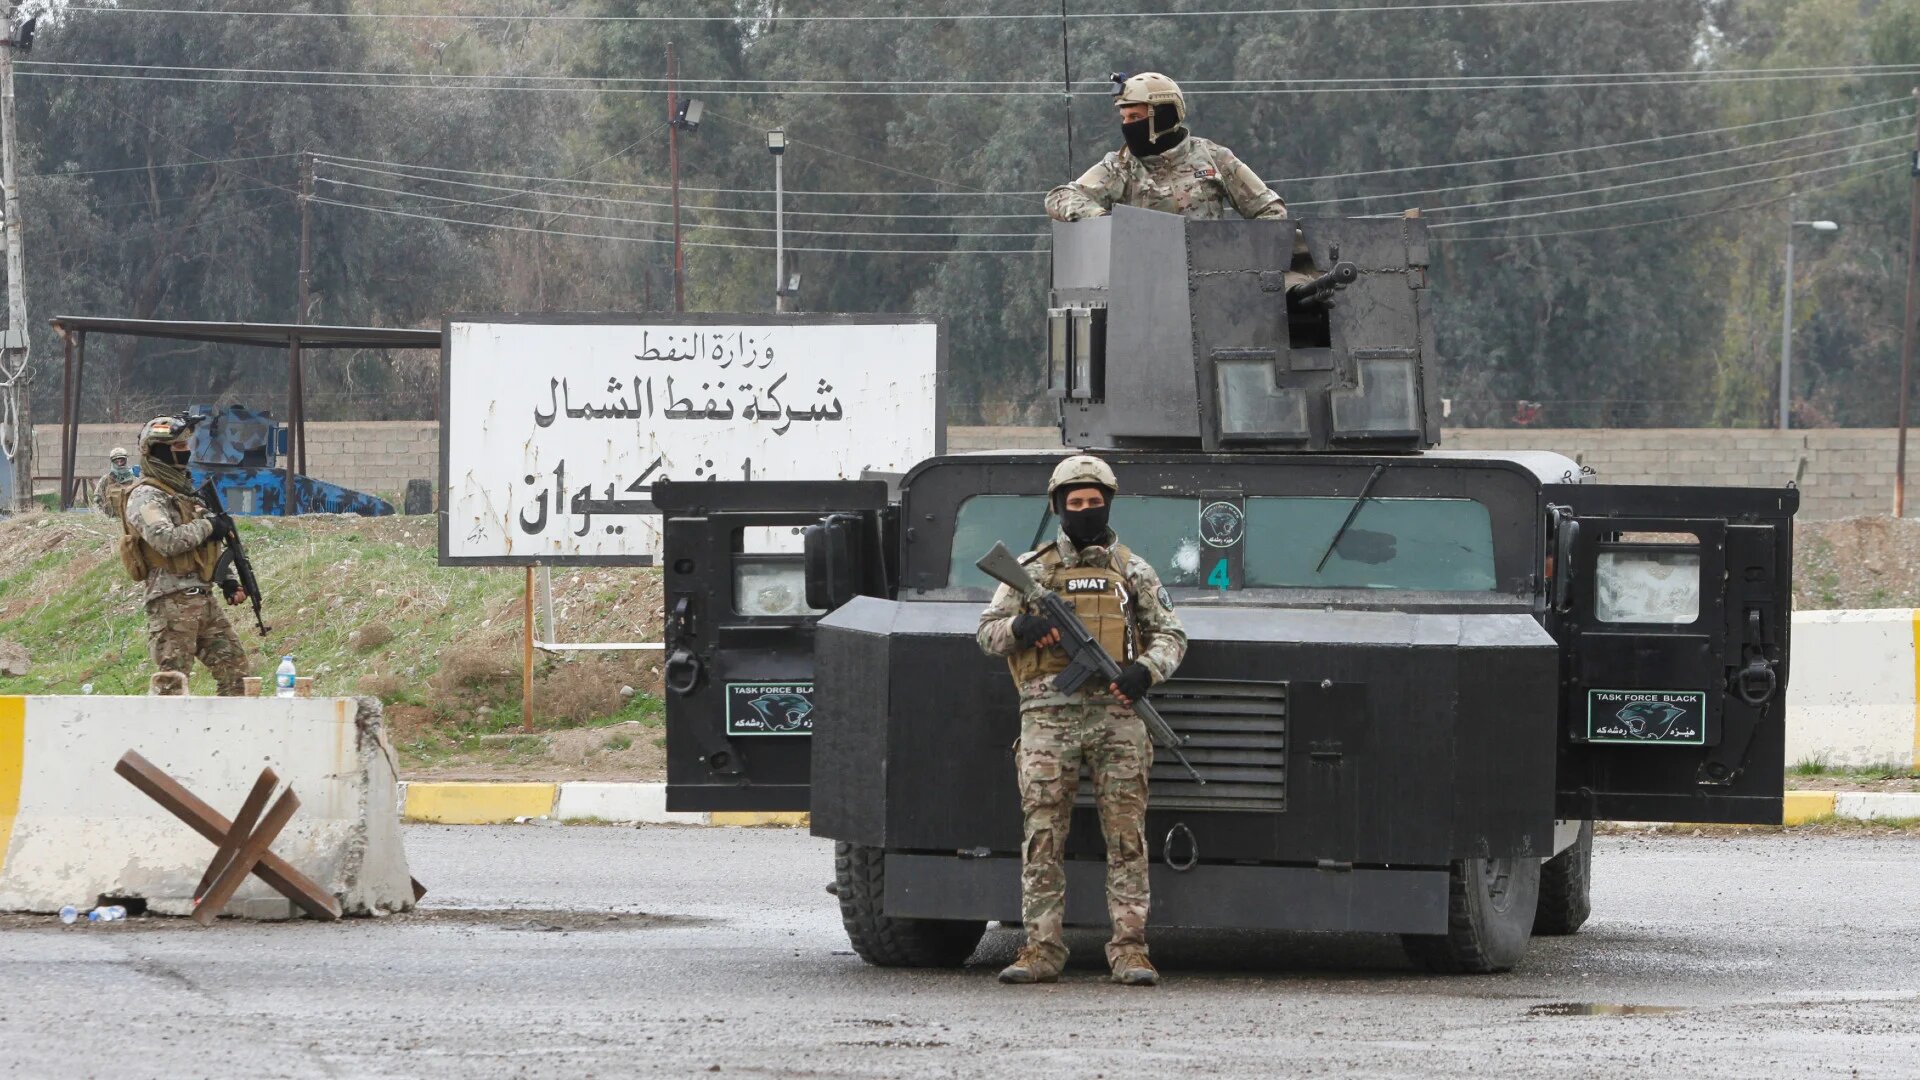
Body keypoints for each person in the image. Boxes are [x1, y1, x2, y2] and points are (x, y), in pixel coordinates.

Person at [976, 454, 1187, 987]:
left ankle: (1131, 950)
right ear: (1058, 508)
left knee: (1127, 837)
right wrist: (1022, 629)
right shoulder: (1031, 569)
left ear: (1108, 504)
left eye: (1095, 503)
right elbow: (986, 634)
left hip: (1118, 715)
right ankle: (1040, 948)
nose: (1086, 511)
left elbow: (1172, 635)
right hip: (1048, 717)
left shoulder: (1133, 569)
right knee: (1043, 834)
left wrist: (1145, 670)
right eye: (1076, 504)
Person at [1046, 71, 1291, 223]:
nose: (1127, 125)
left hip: (1213, 279)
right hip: (1148, 283)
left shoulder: (1214, 157)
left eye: (1135, 117)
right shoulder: (1119, 166)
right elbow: (1060, 196)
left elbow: (1270, 210)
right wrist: (1104, 222)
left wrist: (1245, 260)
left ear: (1162, 116)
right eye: (1124, 118)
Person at [121, 415, 251, 696]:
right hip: (171, 604)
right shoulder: (145, 495)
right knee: (171, 687)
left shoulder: (185, 494)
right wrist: (209, 525)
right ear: (157, 450)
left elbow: (204, 549)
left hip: (203, 601)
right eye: (178, 446)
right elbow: (165, 540)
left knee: (238, 677)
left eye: (186, 445)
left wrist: (226, 579)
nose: (185, 451)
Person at [92, 446, 137, 519]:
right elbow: (97, 501)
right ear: (112, 462)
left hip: (130, 520)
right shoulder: (105, 479)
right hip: (110, 520)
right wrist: (103, 518)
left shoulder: (134, 479)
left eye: (122, 461)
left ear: (126, 461)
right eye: (116, 461)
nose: (119, 464)